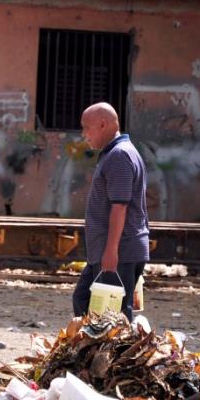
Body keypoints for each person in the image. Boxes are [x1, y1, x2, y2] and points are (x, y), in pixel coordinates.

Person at [72, 102, 149, 321]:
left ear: (103, 124)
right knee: (83, 300)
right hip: (108, 248)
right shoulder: (115, 153)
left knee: (111, 316)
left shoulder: (119, 156)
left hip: (119, 249)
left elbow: (120, 206)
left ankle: (114, 354)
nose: (83, 134)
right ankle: (93, 352)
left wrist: (112, 251)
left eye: (86, 127)